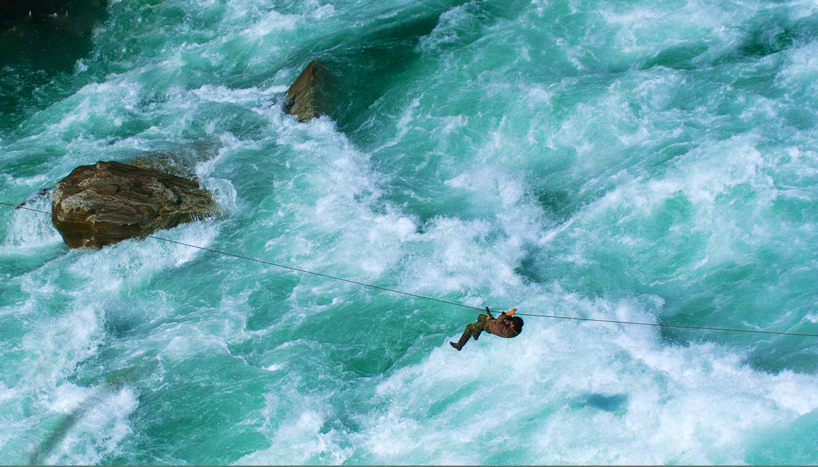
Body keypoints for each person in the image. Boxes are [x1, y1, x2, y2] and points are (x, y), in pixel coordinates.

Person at [450, 306, 524, 351]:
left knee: (469, 327)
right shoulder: (516, 328)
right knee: (481, 316)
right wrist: (508, 316)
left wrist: (506, 315)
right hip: (494, 325)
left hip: (489, 327)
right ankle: (476, 333)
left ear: (513, 325)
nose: (510, 321)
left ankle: (459, 345)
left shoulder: (507, 331)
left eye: (511, 322)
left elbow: (499, 322)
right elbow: (506, 322)